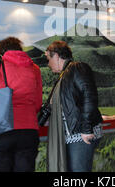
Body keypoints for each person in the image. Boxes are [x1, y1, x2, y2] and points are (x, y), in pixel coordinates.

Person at [0, 36, 43, 172]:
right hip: (28, 132)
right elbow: (37, 104)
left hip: (1, 132)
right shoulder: (35, 69)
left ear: (1, 54)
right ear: (20, 50)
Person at [44, 40, 103, 172]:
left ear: (57, 56)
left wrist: (86, 129)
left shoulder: (77, 68)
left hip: (80, 134)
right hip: (73, 135)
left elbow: (89, 95)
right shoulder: (64, 75)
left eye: (49, 59)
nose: (48, 64)